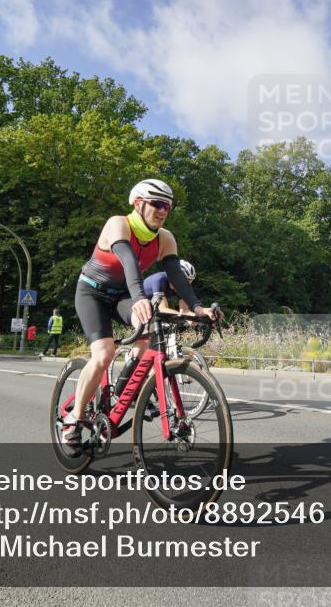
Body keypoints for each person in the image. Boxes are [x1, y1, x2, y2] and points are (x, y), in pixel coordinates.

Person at [64, 179, 217, 456]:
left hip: (121, 294)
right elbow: (129, 261)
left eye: (167, 206)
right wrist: (138, 299)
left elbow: (176, 277)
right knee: (103, 354)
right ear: (138, 203)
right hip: (93, 293)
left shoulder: (165, 238)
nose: (163, 211)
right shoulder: (118, 224)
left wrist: (196, 307)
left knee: (146, 336)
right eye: (157, 204)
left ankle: (127, 388)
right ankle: (73, 419)